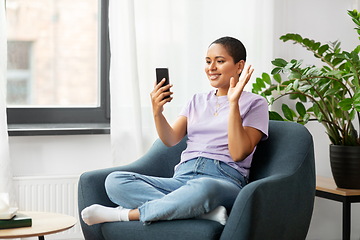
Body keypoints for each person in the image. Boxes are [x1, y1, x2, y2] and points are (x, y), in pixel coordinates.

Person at [81, 36, 269, 226]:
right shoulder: (196, 100)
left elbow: (238, 153)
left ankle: (124, 215)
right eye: (208, 61)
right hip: (182, 178)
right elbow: (170, 139)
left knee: (204, 188)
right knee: (115, 181)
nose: (211, 67)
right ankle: (196, 211)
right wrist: (157, 112)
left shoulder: (256, 103)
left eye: (219, 61)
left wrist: (233, 102)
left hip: (222, 180)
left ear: (239, 66)